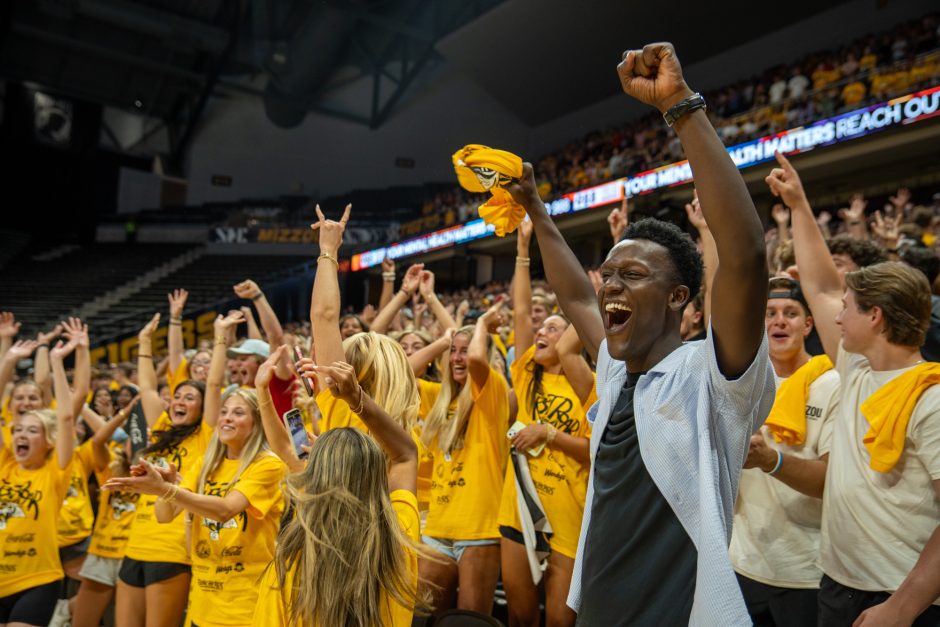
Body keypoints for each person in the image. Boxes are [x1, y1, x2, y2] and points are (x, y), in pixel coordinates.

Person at [507, 42, 775, 625]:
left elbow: (748, 255)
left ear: (680, 297)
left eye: (632, 276)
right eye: (609, 275)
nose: (609, 289)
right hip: (599, 606)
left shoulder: (714, 376)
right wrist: (535, 208)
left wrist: (680, 105)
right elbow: (576, 293)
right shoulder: (614, 367)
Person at [767, 151, 940, 626]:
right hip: (839, 583)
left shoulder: (932, 398)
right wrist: (799, 205)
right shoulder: (857, 367)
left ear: (875, 317)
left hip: (902, 597)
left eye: (847, 307)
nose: (836, 316)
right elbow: (821, 285)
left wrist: (902, 608)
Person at [252, 358, 427, 626]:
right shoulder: (399, 536)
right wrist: (357, 398)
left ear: (315, 480)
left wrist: (263, 392)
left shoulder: (289, 567)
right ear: (375, 474)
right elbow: (405, 455)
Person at [104, 383, 286, 627]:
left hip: (246, 604)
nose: (227, 418)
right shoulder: (207, 463)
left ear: (257, 421)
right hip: (203, 602)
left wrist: (167, 490)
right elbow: (164, 515)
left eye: (238, 413)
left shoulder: (268, 465)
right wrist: (165, 488)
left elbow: (225, 510)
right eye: (224, 412)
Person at [498, 218, 594, 627]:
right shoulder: (524, 373)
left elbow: (597, 450)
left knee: (560, 621)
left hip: (569, 513)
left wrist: (550, 434)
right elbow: (521, 312)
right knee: (519, 617)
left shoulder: (587, 385)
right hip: (518, 504)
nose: (541, 330)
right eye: (542, 327)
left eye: (554, 328)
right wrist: (523, 249)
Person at [730, 277, 839, 626]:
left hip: (806, 570)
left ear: (809, 324)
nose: (779, 320)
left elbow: (829, 482)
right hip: (742, 563)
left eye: (790, 313)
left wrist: (770, 460)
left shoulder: (832, 383)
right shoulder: (742, 381)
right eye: (770, 313)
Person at [116, 313, 213, 627]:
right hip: (135, 545)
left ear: (203, 406)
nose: (179, 401)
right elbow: (146, 387)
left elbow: (213, 384)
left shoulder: (205, 435)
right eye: (177, 396)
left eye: (190, 397)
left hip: (171, 551)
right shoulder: (161, 427)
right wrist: (144, 341)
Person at [418, 305, 509, 615]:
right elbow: (403, 372)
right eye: (453, 352)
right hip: (437, 526)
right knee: (426, 615)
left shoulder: (495, 392)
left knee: (470, 620)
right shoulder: (440, 398)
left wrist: (481, 322)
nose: (458, 358)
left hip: (479, 529)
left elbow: (476, 361)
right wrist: (445, 341)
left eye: (464, 350)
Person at [0, 337, 75, 627]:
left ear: (47, 441)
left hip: (37, 580)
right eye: (18, 430)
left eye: (32, 431)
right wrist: (8, 360)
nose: (21, 435)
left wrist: (57, 362)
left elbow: (66, 417)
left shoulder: (54, 471)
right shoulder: (6, 464)